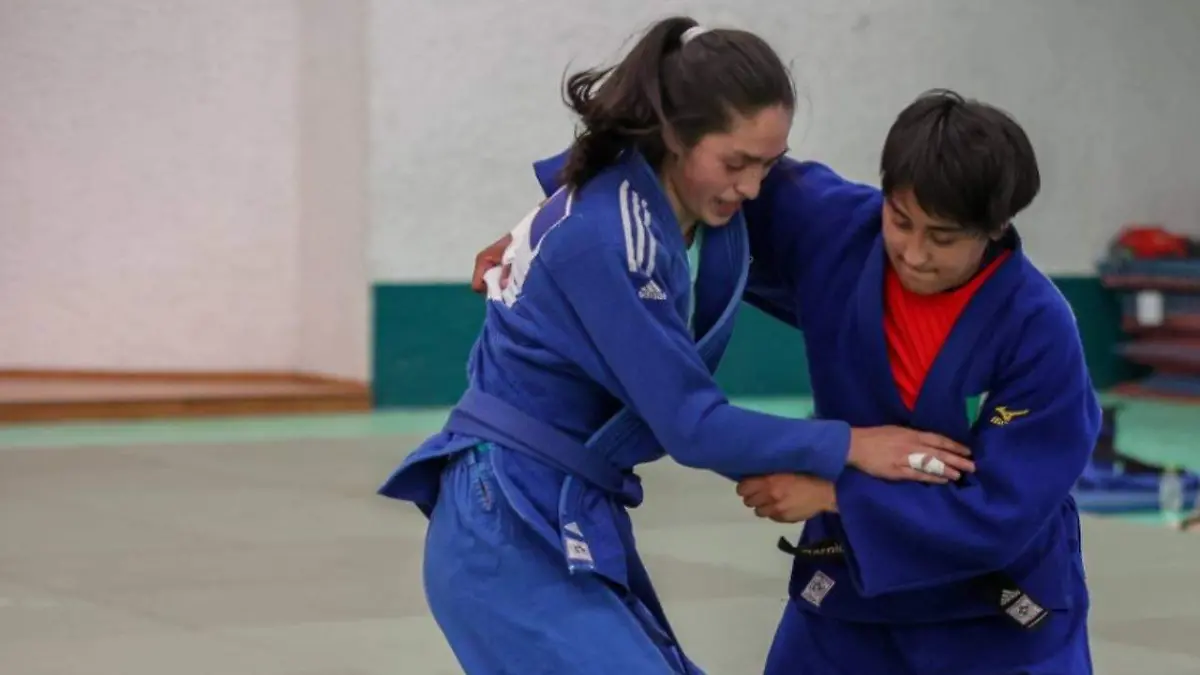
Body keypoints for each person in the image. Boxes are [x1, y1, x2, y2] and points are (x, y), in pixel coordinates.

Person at [380, 17, 974, 675]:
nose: (752, 187)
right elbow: (692, 424)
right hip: (505, 521)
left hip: (558, 506)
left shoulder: (679, 211)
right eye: (735, 163)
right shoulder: (609, 239)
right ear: (672, 135)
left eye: (769, 163)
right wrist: (853, 447)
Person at [478, 89, 1100, 674]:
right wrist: (555, 221)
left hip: (996, 609)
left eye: (943, 239)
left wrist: (836, 494)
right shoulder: (837, 227)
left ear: (996, 227)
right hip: (848, 593)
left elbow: (1004, 511)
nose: (913, 253)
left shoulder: (1038, 329)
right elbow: (687, 150)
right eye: (901, 220)